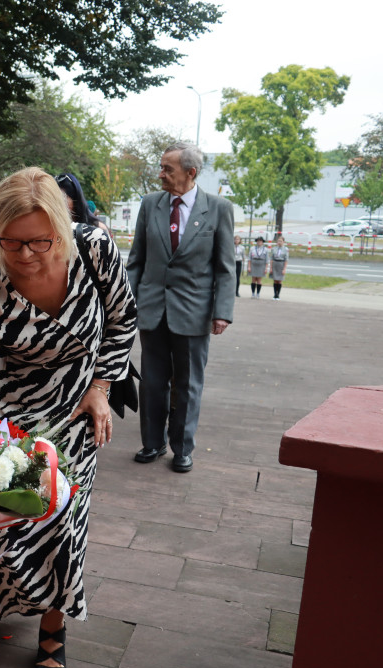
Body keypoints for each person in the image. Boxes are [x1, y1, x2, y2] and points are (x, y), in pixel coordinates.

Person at [0, 167, 136, 668]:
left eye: (40, 241)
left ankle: (54, 628)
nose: (27, 255)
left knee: (64, 523)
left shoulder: (94, 250)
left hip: (80, 405)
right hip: (12, 413)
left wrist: (101, 388)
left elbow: (124, 319)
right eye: (11, 242)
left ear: (61, 227)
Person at [125, 141, 235, 474]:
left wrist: (222, 311)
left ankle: (182, 448)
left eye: (166, 169)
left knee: (187, 384)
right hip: (152, 309)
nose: (160, 174)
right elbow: (137, 261)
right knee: (152, 382)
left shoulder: (218, 209)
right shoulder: (150, 204)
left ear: (190, 172)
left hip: (194, 312)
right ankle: (152, 443)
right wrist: (127, 302)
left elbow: (225, 267)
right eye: (160, 167)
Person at [270, 235, 289, 301]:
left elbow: (286, 259)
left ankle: (278, 294)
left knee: (279, 280)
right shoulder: (274, 249)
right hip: (275, 263)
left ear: (283, 242)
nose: (279, 242)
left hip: (281, 264)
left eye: (281, 241)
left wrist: (284, 269)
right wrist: (271, 268)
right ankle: (275, 294)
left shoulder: (286, 249)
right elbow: (271, 258)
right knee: (275, 280)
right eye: (278, 241)